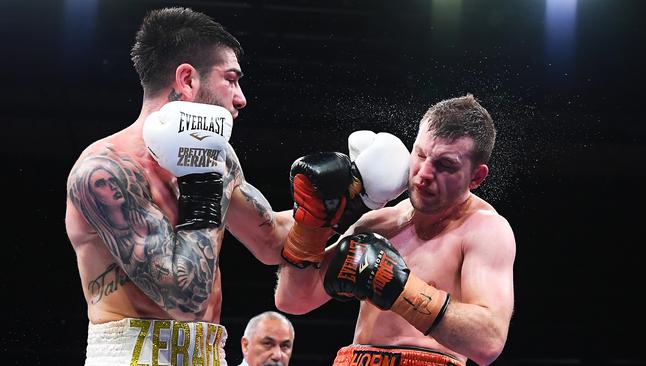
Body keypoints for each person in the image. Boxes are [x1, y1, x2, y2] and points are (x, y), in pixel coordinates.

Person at [65, 7, 297, 365]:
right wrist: (202, 177)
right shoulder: (104, 172)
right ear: (187, 79)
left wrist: (337, 201)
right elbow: (185, 298)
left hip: (208, 353)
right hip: (131, 354)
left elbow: (271, 242)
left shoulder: (221, 157)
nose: (240, 98)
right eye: (230, 79)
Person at [275, 94, 516, 366]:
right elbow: (293, 300)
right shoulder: (378, 223)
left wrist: (399, 289)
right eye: (421, 154)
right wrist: (311, 228)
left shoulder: (485, 229)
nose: (424, 172)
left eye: (445, 165)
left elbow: (488, 342)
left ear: (476, 177)